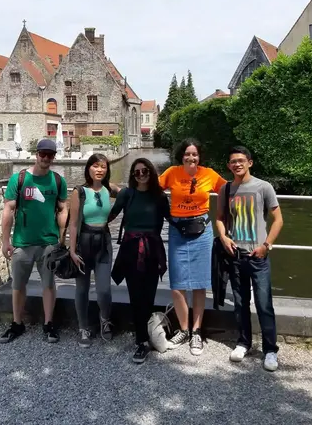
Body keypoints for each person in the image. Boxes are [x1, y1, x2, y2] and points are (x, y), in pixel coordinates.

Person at [216, 146, 283, 372]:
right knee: (240, 303)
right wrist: (224, 238)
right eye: (233, 161)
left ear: (250, 163)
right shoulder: (226, 189)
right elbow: (219, 218)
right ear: (229, 166)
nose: (237, 164)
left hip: (258, 256)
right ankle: (244, 342)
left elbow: (278, 219)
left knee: (264, 304)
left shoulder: (263, 187)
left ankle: (270, 350)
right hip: (235, 255)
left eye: (241, 160)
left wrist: (266, 245)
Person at [159, 138, 226, 356]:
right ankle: (183, 330)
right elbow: (150, 188)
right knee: (177, 283)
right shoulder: (172, 173)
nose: (191, 157)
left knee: (199, 283)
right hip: (178, 231)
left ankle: (196, 331)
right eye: (187, 154)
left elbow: (228, 190)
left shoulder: (209, 174)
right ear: (181, 156)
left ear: (199, 157)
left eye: (194, 154)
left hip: (202, 231)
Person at [0, 139, 68, 344]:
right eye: (42, 154)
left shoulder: (58, 181)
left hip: (49, 242)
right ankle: (17, 323)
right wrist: (5, 240)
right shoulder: (19, 179)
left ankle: (48, 324)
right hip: (23, 242)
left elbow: (63, 209)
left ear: (54, 157)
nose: (46, 158)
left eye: (50, 155)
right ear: (36, 154)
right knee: (18, 285)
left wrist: (62, 238)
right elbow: (8, 210)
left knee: (49, 284)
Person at [109, 158, 169, 364]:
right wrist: (82, 225)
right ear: (133, 175)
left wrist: (196, 227)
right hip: (131, 248)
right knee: (135, 296)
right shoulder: (127, 194)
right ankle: (141, 341)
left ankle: (146, 334)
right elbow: (111, 215)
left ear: (151, 172)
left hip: (152, 249)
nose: (141, 175)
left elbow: (172, 218)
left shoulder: (159, 197)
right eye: (137, 172)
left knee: (148, 295)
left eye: (145, 171)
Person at [69, 154, 119, 348]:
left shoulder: (109, 189)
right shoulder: (79, 192)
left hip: (103, 241)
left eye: (103, 167)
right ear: (88, 168)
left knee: (104, 289)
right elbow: (73, 224)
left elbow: (128, 193)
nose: (99, 170)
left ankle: (105, 319)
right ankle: (83, 327)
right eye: (96, 166)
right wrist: (72, 250)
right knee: (82, 288)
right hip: (84, 242)